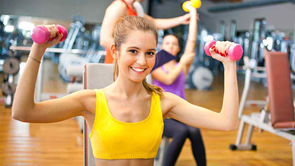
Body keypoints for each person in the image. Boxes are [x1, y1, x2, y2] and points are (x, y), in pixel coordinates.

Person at [12, 16, 239, 166]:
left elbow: (227, 122)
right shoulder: (91, 101)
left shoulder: (164, 102)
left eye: (150, 53)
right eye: (133, 51)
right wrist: (38, 49)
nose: (142, 61)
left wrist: (229, 66)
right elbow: (23, 112)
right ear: (116, 51)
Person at [151, 7, 206, 166]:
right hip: (161, 114)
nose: (170, 46)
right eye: (167, 43)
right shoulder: (156, 65)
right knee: (182, 131)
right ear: (161, 46)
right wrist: (182, 62)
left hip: (180, 113)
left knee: (195, 131)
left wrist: (193, 13)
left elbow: (192, 41)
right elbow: (168, 79)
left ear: (178, 49)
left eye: (174, 44)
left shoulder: (182, 66)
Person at [100, 0, 192, 64]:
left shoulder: (135, 7)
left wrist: (182, 19)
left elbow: (154, 23)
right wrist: (133, 52)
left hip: (131, 63)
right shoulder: (119, 6)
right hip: (116, 64)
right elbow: (104, 39)